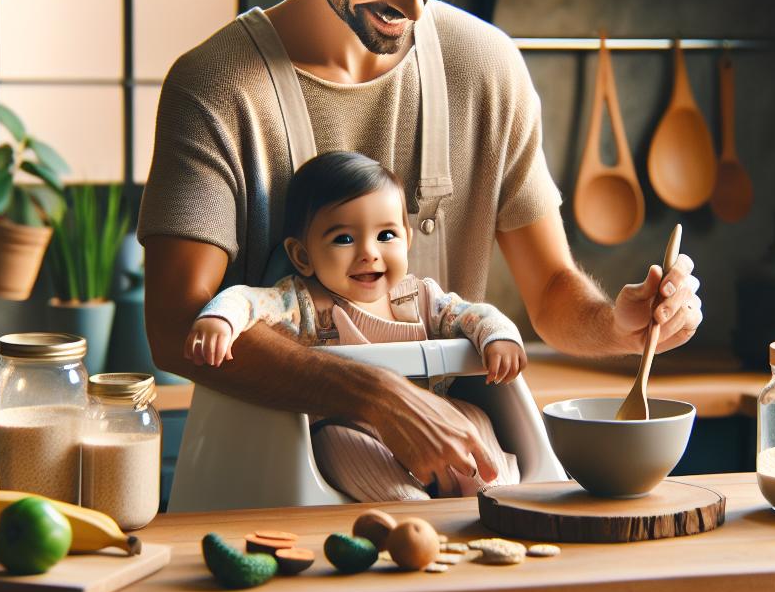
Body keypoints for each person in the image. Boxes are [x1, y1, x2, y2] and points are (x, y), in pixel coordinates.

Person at [140, 0, 702, 493]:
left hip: (452, 481)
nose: (413, 5)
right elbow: (173, 328)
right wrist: (372, 396)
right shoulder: (217, 86)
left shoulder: (484, 66)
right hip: (268, 492)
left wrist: (618, 325)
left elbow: (553, 294)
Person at [185, 152, 525, 502]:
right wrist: (220, 319)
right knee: (336, 442)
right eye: (344, 239)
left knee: (475, 417)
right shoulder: (301, 302)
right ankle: (407, 503)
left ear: (407, 239)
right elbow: (247, 300)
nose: (369, 252)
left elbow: (474, 315)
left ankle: (496, 492)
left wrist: (498, 338)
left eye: (386, 235)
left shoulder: (422, 297)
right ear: (302, 256)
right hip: (351, 428)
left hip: (434, 419)